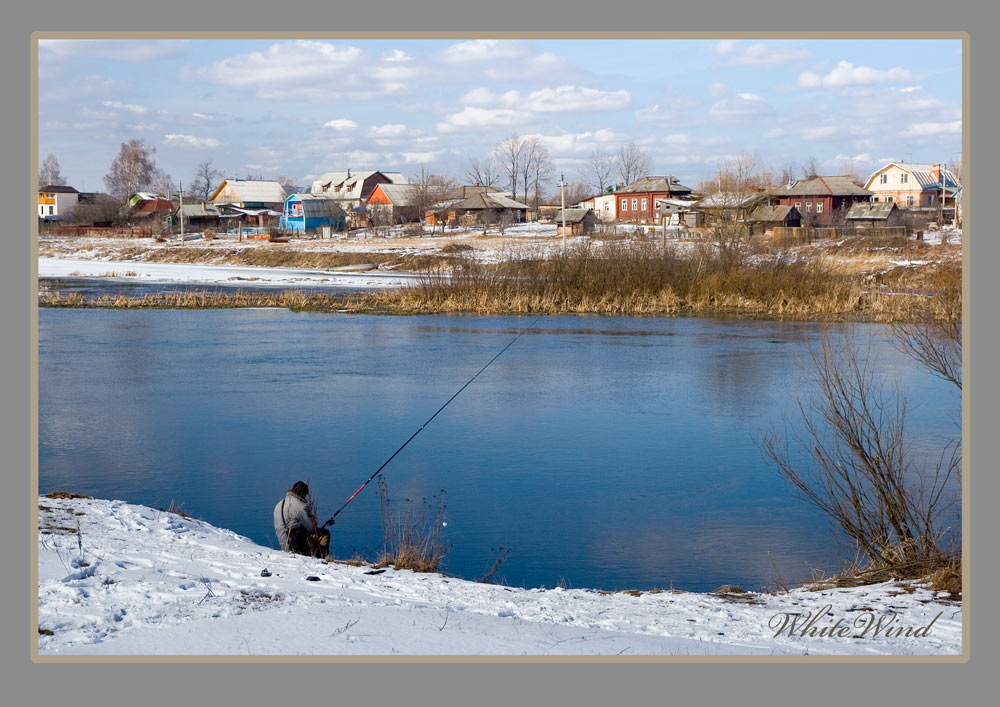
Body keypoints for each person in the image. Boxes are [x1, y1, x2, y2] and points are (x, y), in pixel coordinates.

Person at [273, 481, 330, 558]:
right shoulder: (301, 506)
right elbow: (311, 528)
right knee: (325, 533)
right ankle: (321, 557)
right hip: (295, 545)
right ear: (303, 494)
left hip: (283, 545)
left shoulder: (279, 504)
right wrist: (314, 520)